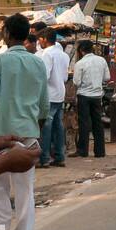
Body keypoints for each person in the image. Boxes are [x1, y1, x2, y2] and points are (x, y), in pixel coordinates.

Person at [0, 14, 48, 230]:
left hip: (1, 130)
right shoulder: (38, 62)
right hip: (29, 129)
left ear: (7, 34)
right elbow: (43, 99)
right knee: (25, 186)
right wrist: (40, 121)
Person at [36, 28, 69, 167]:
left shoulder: (47, 54)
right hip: (60, 93)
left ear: (44, 39)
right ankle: (60, 157)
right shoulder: (63, 55)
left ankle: (44, 158)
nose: (39, 43)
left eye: (39, 40)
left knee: (46, 128)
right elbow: (65, 77)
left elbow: (45, 76)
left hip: (49, 95)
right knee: (58, 126)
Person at [71, 39, 108, 158]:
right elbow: (106, 77)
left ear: (81, 51)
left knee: (84, 123)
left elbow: (76, 81)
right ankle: (100, 151)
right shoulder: (101, 60)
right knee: (98, 122)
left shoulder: (80, 63)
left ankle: (83, 150)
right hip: (97, 96)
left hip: (84, 96)